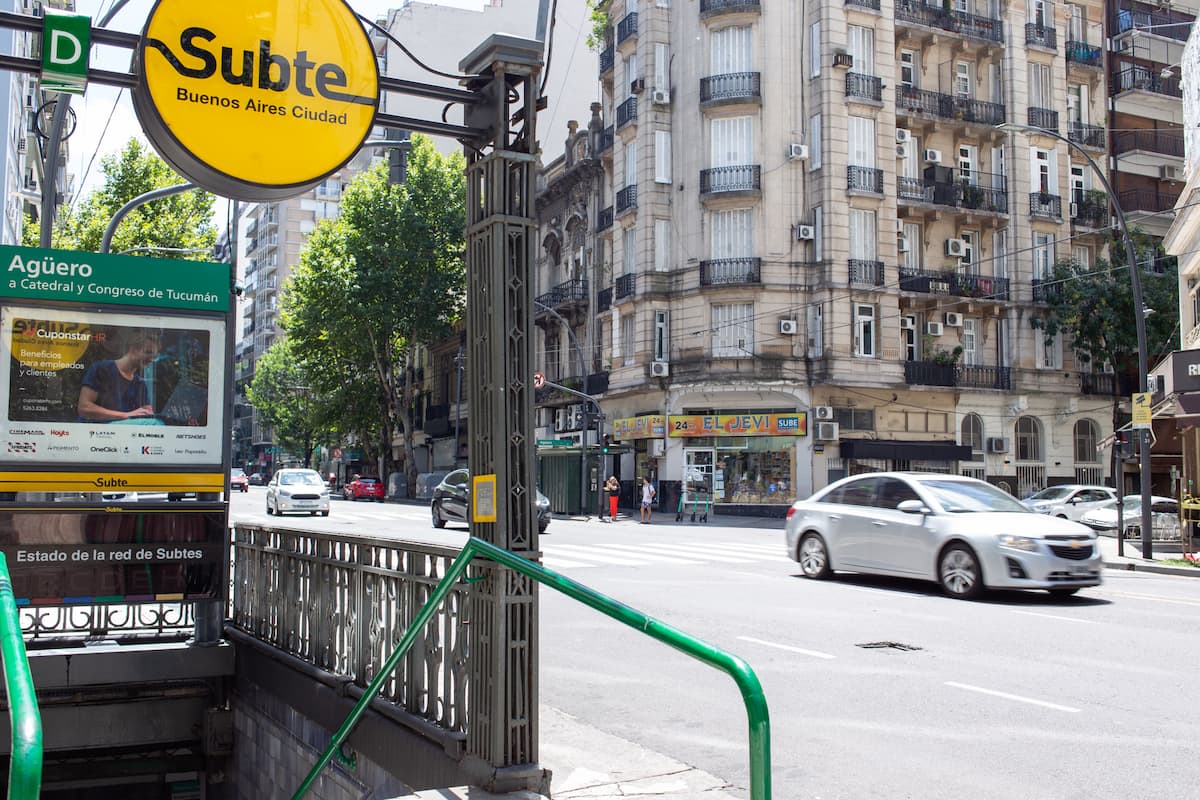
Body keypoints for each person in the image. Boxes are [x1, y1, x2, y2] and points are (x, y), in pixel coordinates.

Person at [77, 331, 159, 422]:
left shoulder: (140, 384)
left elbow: (147, 412)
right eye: (148, 352)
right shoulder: (101, 369)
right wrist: (125, 415)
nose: (151, 360)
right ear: (133, 348)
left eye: (154, 357)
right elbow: (84, 408)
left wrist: (148, 414)